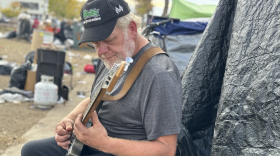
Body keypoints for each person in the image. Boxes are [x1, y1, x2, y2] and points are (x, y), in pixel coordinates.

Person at [21, 0, 182, 156]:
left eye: (109, 40)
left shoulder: (159, 74)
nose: (101, 52)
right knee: (31, 151)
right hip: (91, 143)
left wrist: (104, 143)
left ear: (132, 29)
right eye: (95, 43)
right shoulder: (111, 56)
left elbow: (166, 150)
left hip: (119, 150)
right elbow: (96, 98)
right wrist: (69, 120)